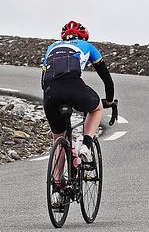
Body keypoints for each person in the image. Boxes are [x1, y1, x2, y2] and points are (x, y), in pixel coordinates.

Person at [41, 21, 115, 202]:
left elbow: (43, 81)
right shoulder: (88, 47)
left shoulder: (51, 47)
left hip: (50, 93)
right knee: (96, 108)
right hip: (74, 86)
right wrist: (110, 100)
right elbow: (107, 80)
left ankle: (57, 188)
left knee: (58, 138)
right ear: (84, 37)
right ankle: (86, 145)